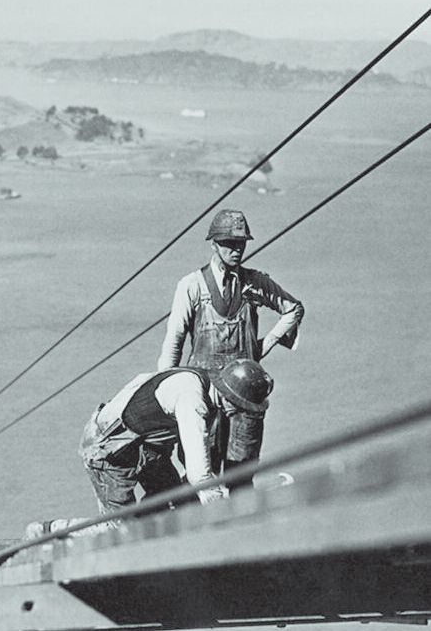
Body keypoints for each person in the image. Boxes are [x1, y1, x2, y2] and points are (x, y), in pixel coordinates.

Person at [157, 209, 304, 481]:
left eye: (241, 244)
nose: (236, 250)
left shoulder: (255, 283)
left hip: (246, 396)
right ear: (214, 245)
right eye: (229, 244)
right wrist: (164, 392)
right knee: (201, 473)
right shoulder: (191, 287)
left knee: (242, 474)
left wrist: (266, 344)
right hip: (204, 395)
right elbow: (174, 341)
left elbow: (293, 309)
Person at [79, 359, 274, 512]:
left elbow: (189, 455)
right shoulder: (193, 401)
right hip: (107, 450)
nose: (240, 413)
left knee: (173, 502)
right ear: (229, 398)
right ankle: (54, 529)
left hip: (144, 446)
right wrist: (220, 504)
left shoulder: (209, 387)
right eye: (241, 407)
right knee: (120, 531)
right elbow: (199, 475)